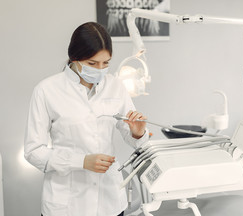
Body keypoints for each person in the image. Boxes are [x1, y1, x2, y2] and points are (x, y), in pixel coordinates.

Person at [24, 22, 149, 216]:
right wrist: (81, 161)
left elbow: (135, 140)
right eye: (92, 63)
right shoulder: (46, 91)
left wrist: (138, 132)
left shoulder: (115, 86)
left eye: (106, 63)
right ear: (74, 57)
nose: (100, 69)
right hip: (67, 205)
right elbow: (33, 151)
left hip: (109, 202)